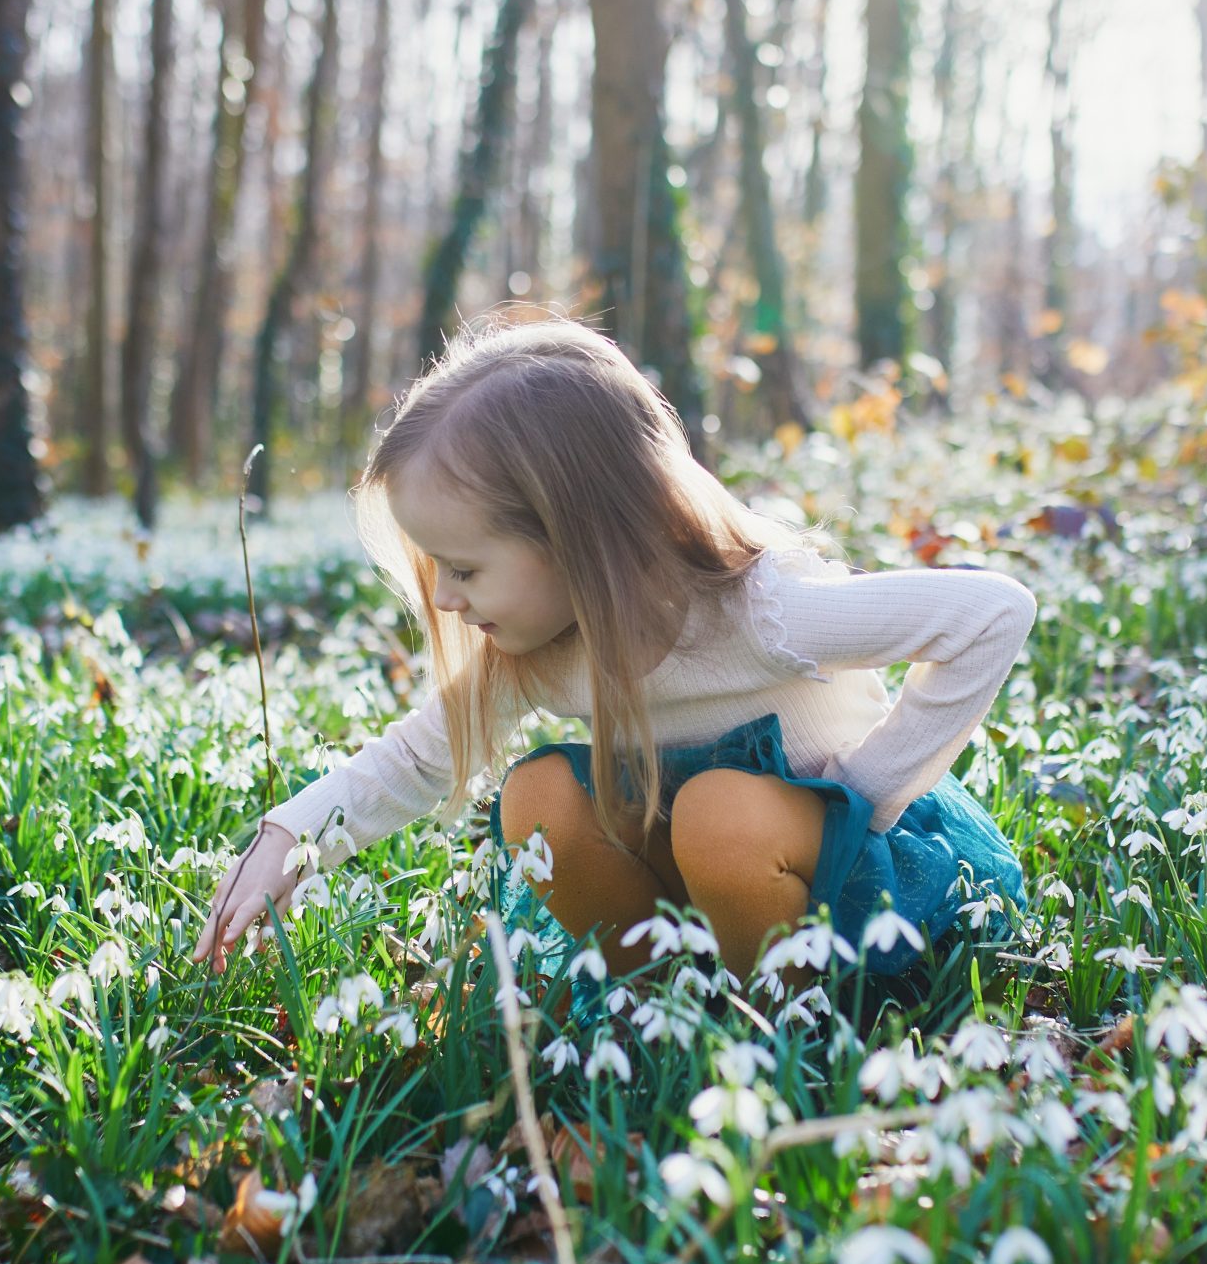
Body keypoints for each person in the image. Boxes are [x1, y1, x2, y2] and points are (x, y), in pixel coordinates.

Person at [188, 316, 1032, 1011]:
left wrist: (865, 791)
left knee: (718, 814)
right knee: (538, 797)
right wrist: (287, 838)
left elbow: (993, 613)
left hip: (850, 879)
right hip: (700, 877)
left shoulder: (760, 607)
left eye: (465, 568)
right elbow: (416, 756)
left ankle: (784, 1029)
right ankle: (661, 1013)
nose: (444, 598)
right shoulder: (538, 649)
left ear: (578, 537)